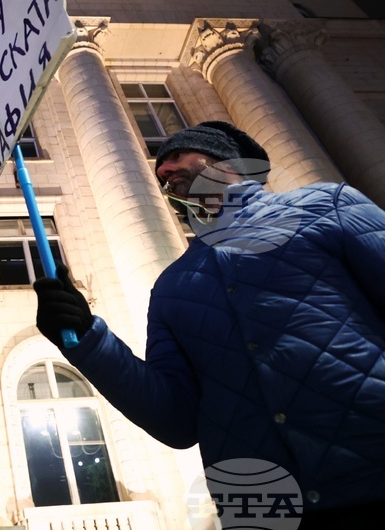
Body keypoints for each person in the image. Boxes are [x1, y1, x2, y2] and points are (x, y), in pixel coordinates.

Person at [34, 121, 385, 528]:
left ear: (223, 158)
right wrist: (90, 342)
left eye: (177, 156)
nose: (163, 171)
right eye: (159, 167)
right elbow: (176, 420)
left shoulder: (326, 205)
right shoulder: (171, 285)